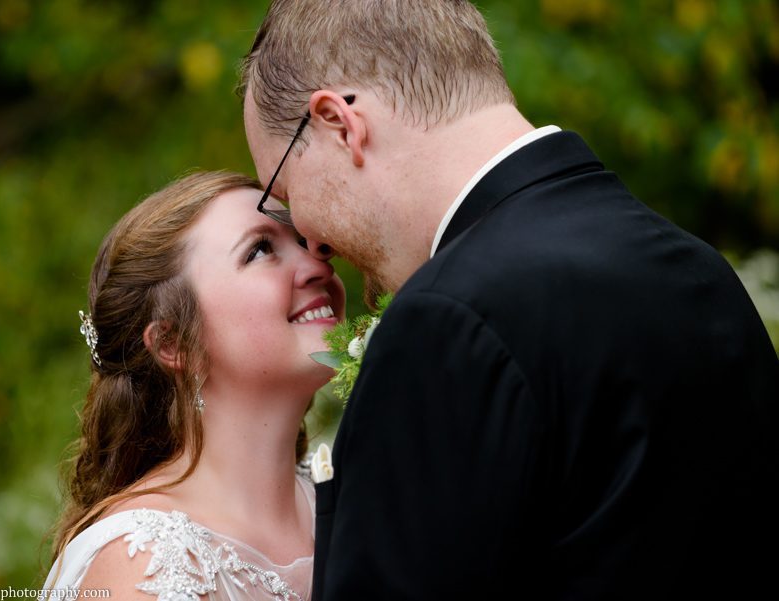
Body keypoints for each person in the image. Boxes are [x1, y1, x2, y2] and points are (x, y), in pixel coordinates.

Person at [240, 1, 779, 599]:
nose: (311, 240)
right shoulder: (699, 268)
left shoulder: (448, 321)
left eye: (285, 190)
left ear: (340, 123)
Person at [41, 171, 345, 600]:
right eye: (260, 250)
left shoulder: (352, 498)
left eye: (303, 241)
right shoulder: (146, 564)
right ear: (174, 343)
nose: (317, 266)